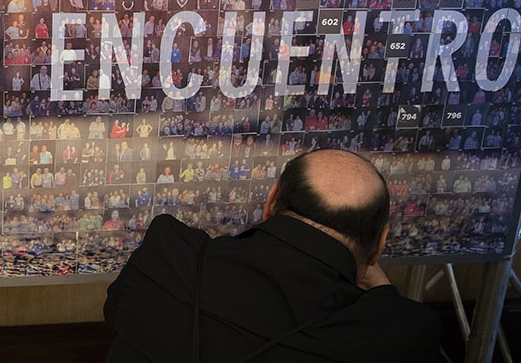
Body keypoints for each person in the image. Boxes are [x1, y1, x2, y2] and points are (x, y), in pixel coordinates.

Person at [104, 150, 442, 362]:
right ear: (379, 245)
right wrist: (379, 288)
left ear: (271, 201)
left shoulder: (166, 256)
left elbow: (115, 314)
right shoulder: (399, 336)